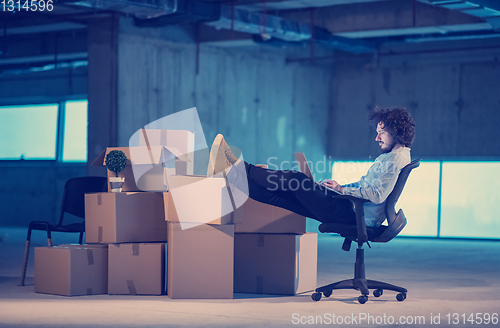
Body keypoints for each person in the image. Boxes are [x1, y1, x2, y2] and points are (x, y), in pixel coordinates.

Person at [208, 107, 415, 227]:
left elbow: (376, 195)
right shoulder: (395, 157)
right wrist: (338, 187)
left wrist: (342, 190)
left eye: (382, 132)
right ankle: (229, 174)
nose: (376, 137)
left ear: (396, 132)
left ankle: (238, 166)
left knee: (297, 180)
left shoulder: (395, 159)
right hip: (352, 210)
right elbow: (366, 186)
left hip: (352, 214)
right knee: (281, 197)